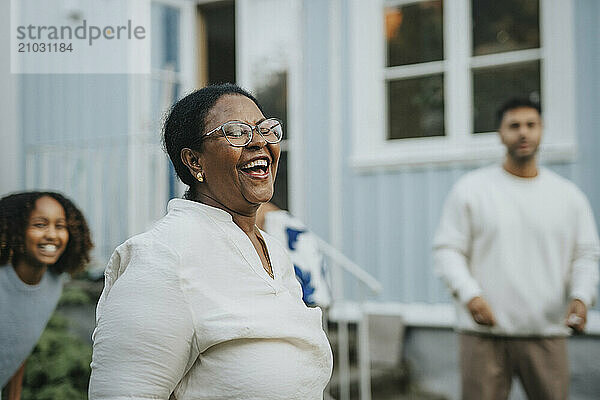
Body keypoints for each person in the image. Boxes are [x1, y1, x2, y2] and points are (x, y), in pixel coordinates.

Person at [89, 83, 333, 400]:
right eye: (235, 132)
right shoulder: (163, 257)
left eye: (266, 129)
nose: (259, 142)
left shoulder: (273, 251)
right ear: (194, 161)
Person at [433, 98, 600, 400]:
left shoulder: (568, 197)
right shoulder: (472, 190)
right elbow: (448, 250)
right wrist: (470, 296)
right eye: (514, 126)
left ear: (542, 130)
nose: (523, 133)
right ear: (500, 134)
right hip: (483, 335)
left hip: (547, 332)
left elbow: (586, 255)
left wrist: (581, 297)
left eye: (531, 125)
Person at [0, 191, 93, 400]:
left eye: (60, 226)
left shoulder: (53, 283)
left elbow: (17, 348)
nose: (52, 235)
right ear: (15, 229)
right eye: (40, 224)